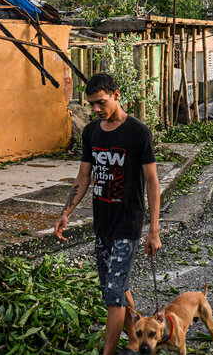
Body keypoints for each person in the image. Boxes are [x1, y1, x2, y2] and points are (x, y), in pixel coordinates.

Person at [55, 72, 161, 355]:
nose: (96, 109)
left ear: (116, 94)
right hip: (102, 223)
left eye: (101, 102)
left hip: (128, 223)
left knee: (114, 296)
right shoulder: (92, 132)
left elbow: (152, 181)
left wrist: (153, 230)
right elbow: (83, 176)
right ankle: (134, 339)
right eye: (92, 105)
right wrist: (67, 211)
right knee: (115, 286)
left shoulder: (138, 132)